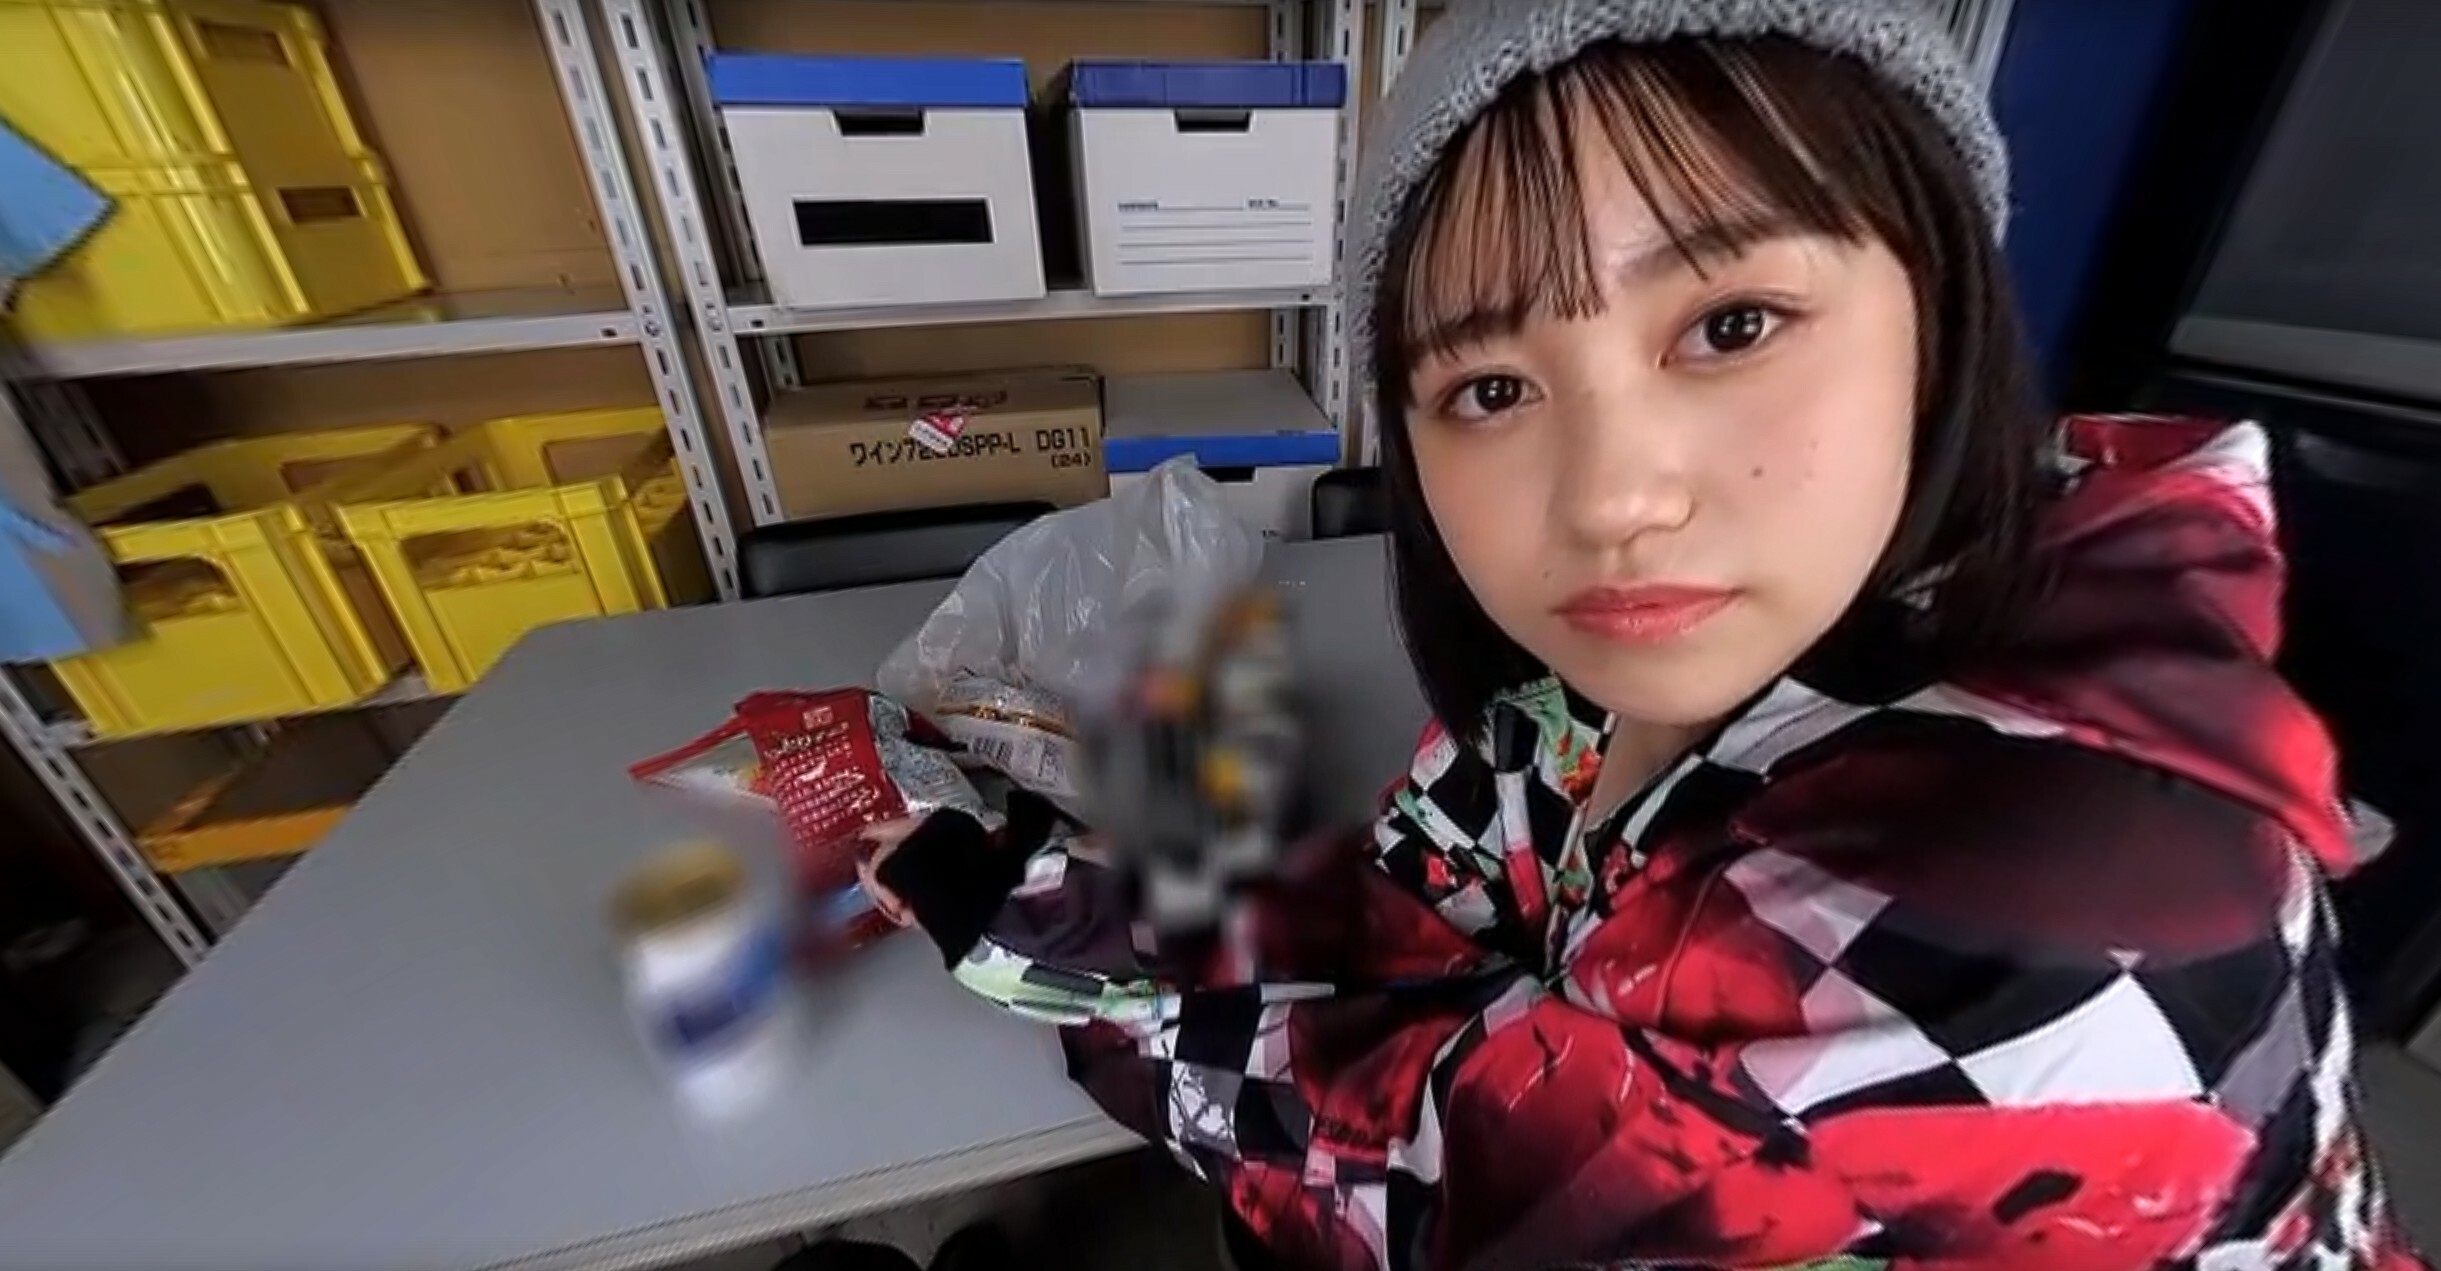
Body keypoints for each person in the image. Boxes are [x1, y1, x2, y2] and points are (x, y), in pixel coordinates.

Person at [859, 1, 2428, 1267]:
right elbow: (1419, 901)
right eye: (1489, 389)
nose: (1611, 498)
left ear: (1939, 321)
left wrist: (1015, 924)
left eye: (1729, 326)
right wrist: (1069, 881)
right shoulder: (1656, 675)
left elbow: (1425, 1188)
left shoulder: (2040, 902)